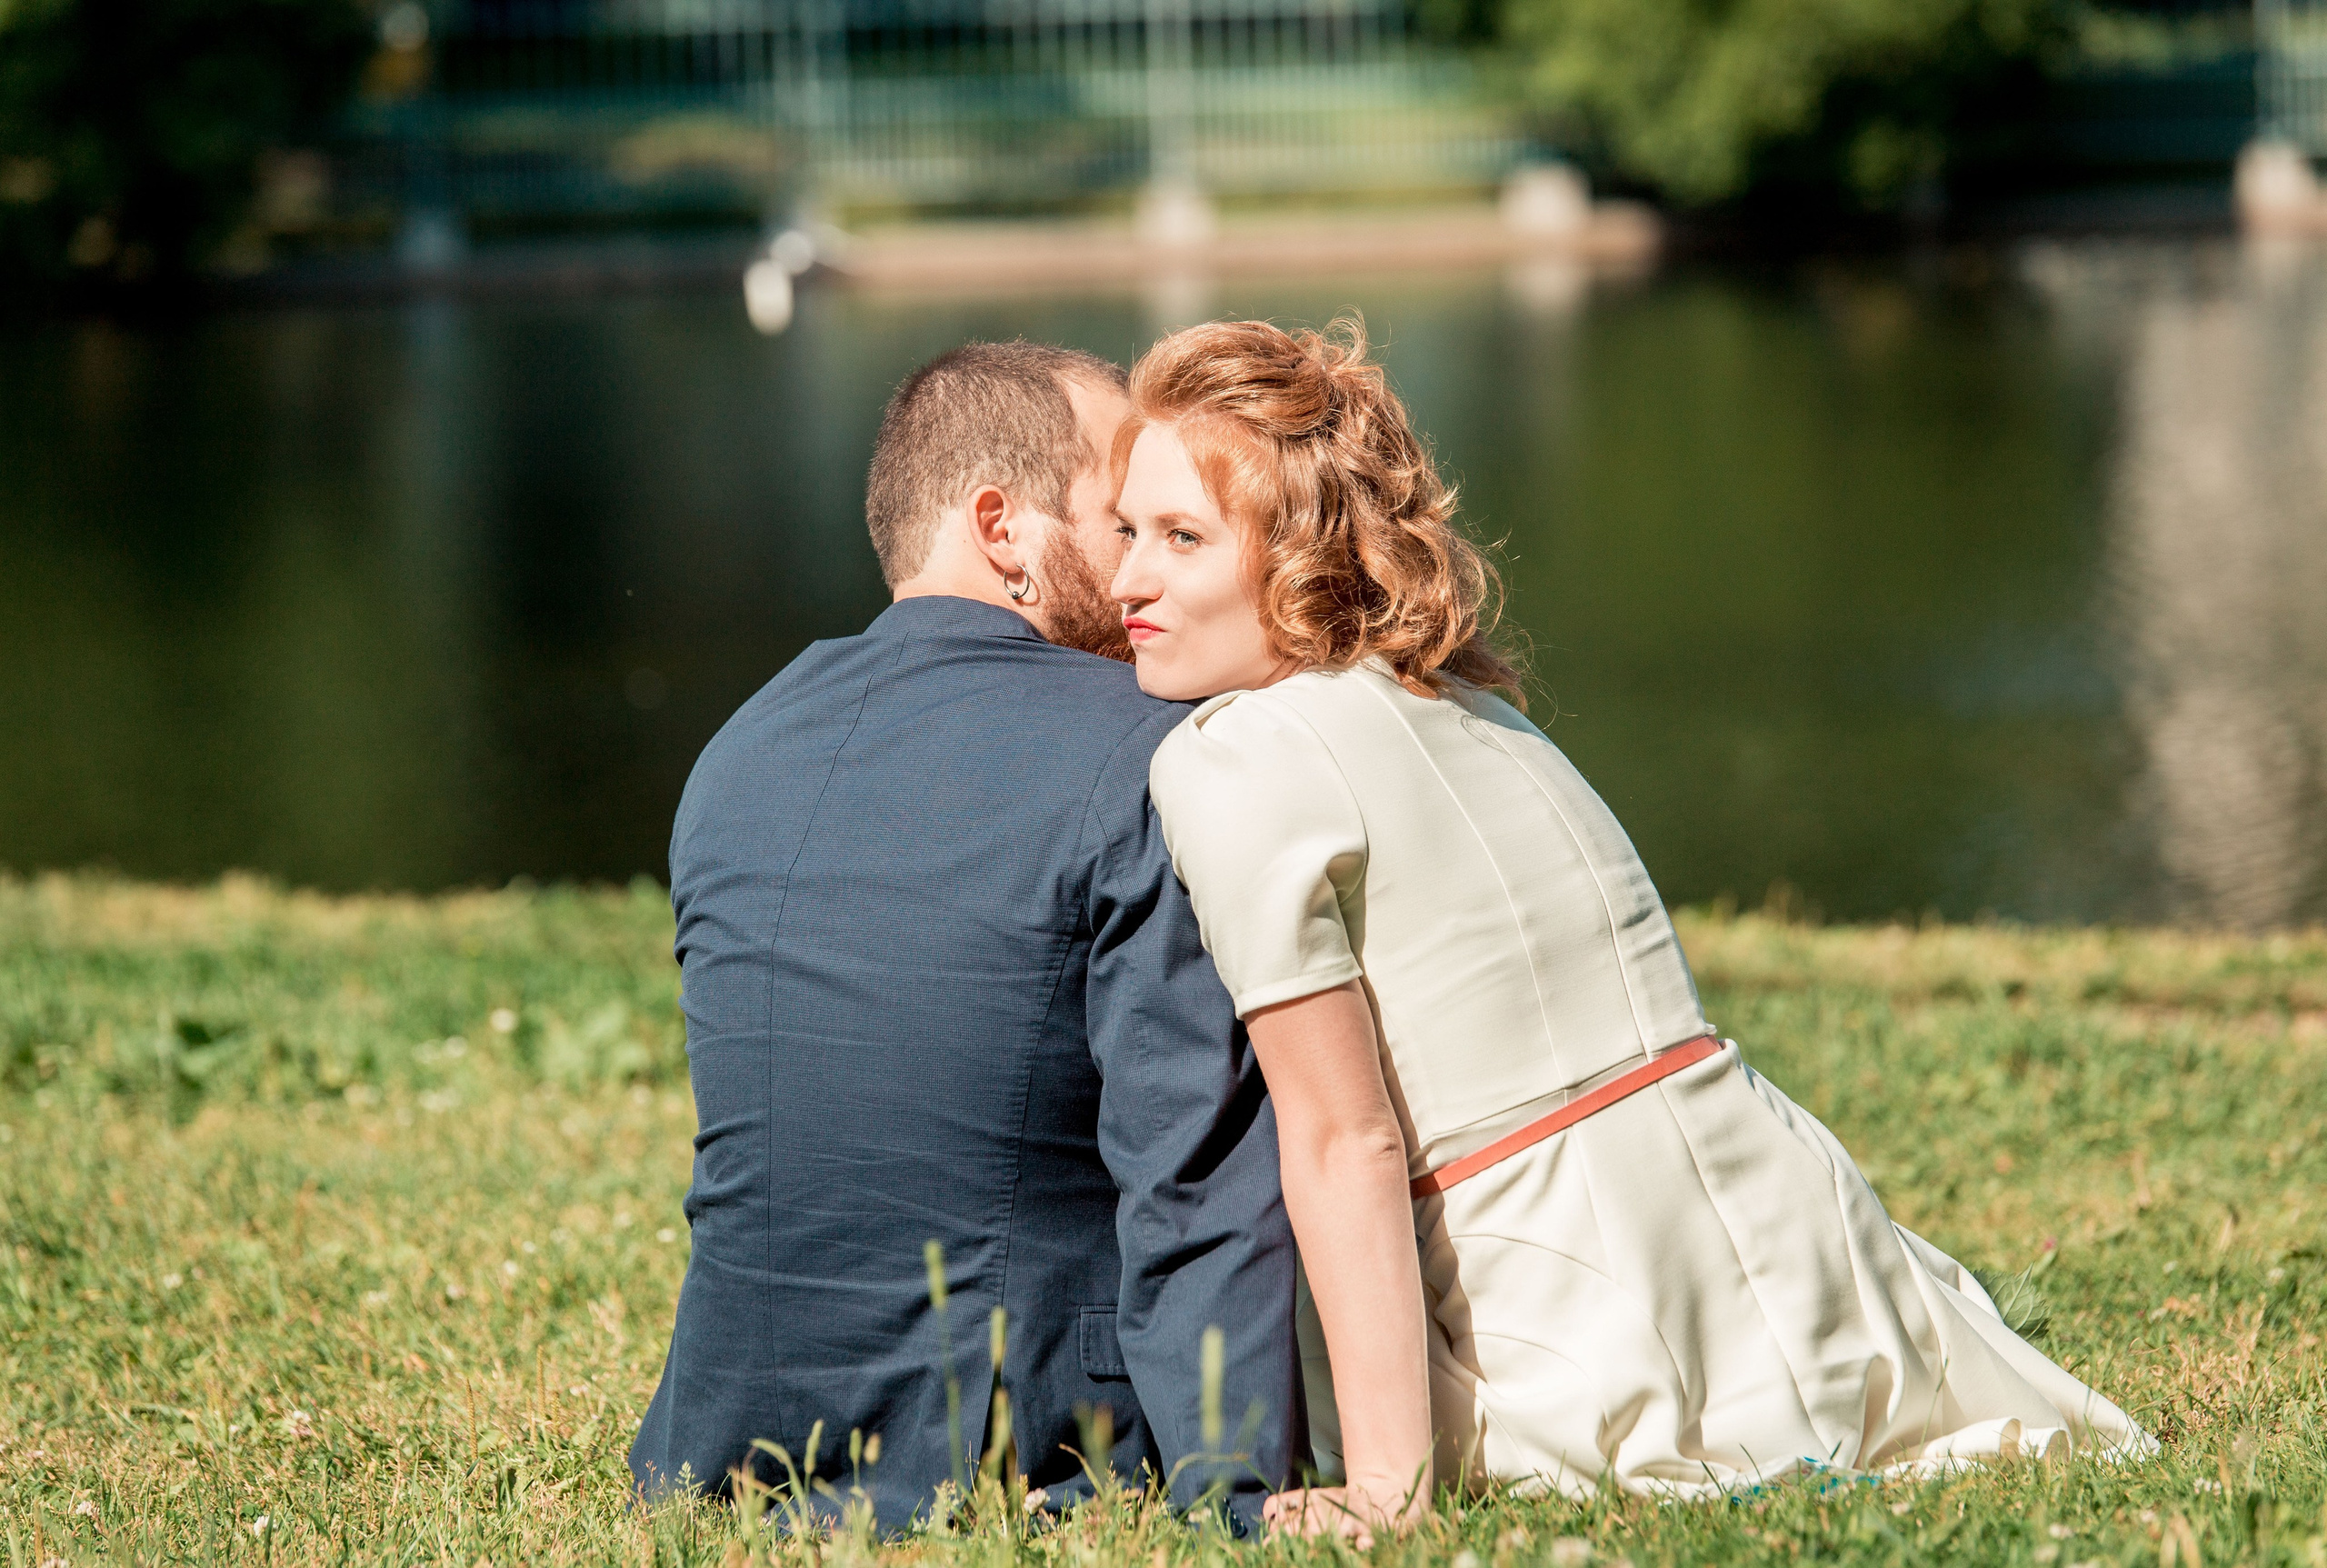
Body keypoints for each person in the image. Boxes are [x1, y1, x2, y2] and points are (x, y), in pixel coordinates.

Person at [1104, 318, 2156, 1539]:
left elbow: (1345, 1138)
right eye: (1128, 531)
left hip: (1569, 1297)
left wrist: (1389, 1483)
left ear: (1300, 549)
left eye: (1182, 539)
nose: (1128, 580)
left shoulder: (1232, 756)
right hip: (1795, 1227)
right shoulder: (1460, 695)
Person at [628, 341, 1303, 1533]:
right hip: (1016, 1436)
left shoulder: (738, 749)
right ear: (1005, 526)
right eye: (1121, 519)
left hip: (724, 1436)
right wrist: (1237, 1501)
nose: (1146, 560)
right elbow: (1195, 1174)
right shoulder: (1147, 751)